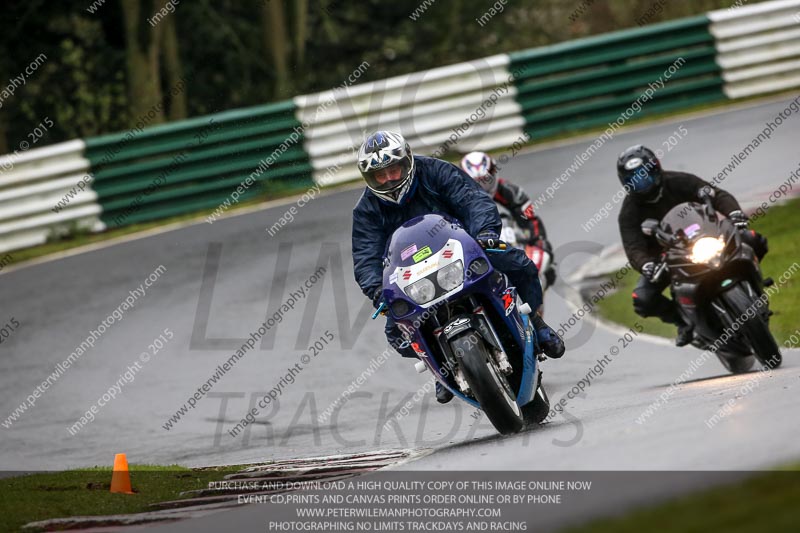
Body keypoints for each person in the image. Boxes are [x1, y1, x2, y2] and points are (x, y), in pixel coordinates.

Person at [352, 131, 565, 404]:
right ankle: (439, 368)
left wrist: (486, 232)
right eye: (380, 175)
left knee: (519, 263)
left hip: (462, 250)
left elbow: (472, 199)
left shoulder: (434, 171)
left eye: (393, 170)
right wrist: (377, 290)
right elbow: (365, 256)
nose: (390, 179)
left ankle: (537, 324)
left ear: (406, 162)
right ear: (369, 178)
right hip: (412, 276)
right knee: (396, 331)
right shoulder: (366, 210)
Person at [616, 144, 768, 347]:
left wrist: (734, 213)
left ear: (656, 170)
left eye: (645, 176)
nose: (642, 184)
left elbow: (716, 194)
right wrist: (646, 265)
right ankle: (683, 322)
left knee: (753, 239)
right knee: (643, 298)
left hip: (704, 237)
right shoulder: (629, 212)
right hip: (666, 257)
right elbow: (633, 246)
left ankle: (756, 284)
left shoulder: (679, 181)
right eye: (635, 180)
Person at [460, 151, 556, 287]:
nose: (483, 188)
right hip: (474, 246)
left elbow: (530, 220)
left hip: (506, 243)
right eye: (476, 183)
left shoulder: (509, 191)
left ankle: (535, 300)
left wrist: (539, 243)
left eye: (486, 181)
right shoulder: (454, 199)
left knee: (548, 269)